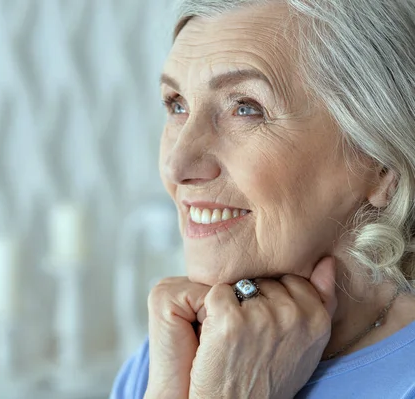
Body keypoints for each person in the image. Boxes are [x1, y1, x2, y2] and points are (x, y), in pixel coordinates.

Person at [110, 0, 415, 397]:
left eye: (246, 108)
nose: (176, 165)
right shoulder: (175, 351)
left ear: (380, 161)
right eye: (177, 105)